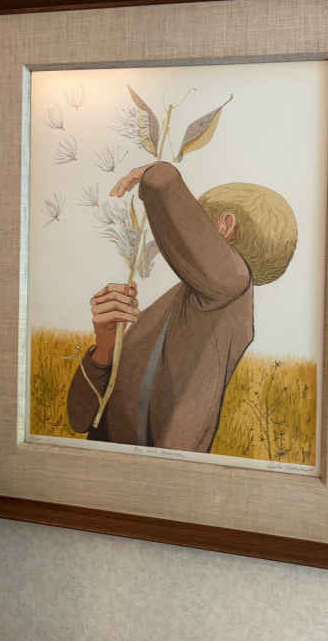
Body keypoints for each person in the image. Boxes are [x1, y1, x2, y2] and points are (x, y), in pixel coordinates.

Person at [67, 161, 297, 452]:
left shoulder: (233, 283)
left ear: (225, 226)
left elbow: (165, 190)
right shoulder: (180, 304)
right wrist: (104, 349)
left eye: (197, 218)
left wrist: (157, 176)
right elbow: (80, 419)